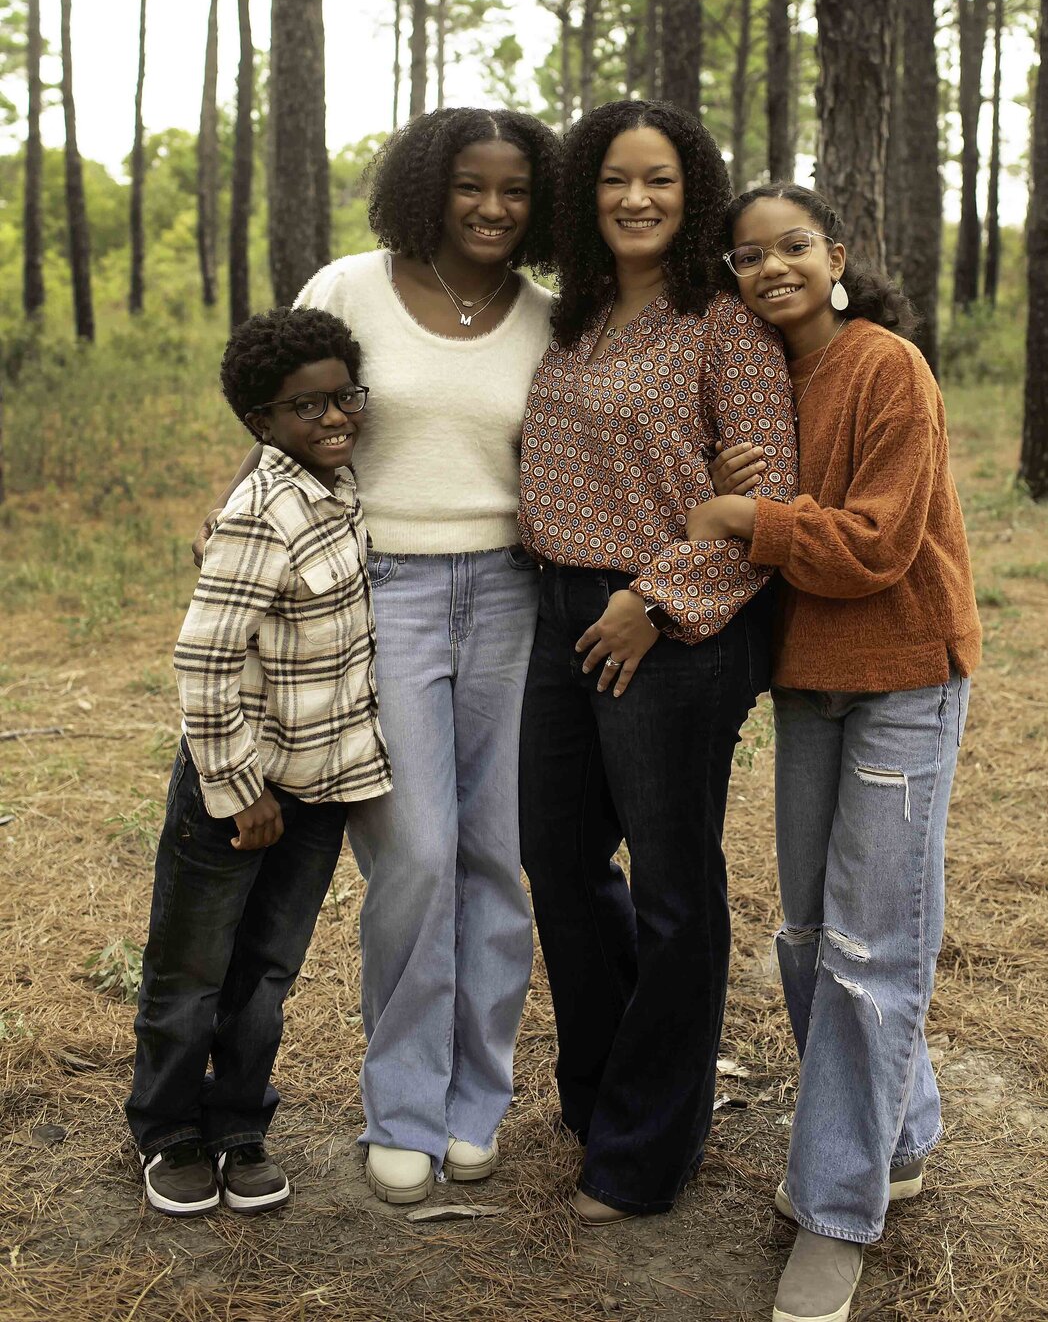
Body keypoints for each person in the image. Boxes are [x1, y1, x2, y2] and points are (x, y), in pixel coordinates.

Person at [197, 107, 560, 1205]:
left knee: (497, 856)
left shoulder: (550, 315)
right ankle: (401, 1100)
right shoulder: (349, 287)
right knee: (413, 854)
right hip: (377, 591)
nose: (492, 208)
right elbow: (284, 424)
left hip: (512, 592)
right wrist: (240, 551)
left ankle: (473, 1101)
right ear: (427, 189)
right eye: (469, 186)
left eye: (513, 190)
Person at [685, 183, 981, 1322]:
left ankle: (836, 1210)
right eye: (749, 257)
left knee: (872, 944)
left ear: (838, 254)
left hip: (905, 675)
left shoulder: (886, 365)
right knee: (809, 938)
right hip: (808, 683)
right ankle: (899, 1133)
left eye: (793, 247)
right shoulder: (756, 383)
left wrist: (743, 518)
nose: (772, 269)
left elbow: (874, 544)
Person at [517, 99, 800, 1225]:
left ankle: (646, 1151)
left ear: (694, 195)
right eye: (615, 180)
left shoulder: (723, 322)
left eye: (662, 180)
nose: (637, 199)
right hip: (557, 615)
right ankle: (606, 1099)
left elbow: (768, 500)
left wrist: (656, 597)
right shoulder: (571, 319)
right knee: (565, 866)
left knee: (674, 892)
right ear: (586, 192)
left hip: (676, 631)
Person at [128, 307, 392, 1217]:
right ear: (261, 423)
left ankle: (240, 1125)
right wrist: (239, 792)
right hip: (238, 792)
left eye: (343, 397)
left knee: (268, 973)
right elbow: (202, 660)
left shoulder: (344, 488)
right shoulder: (260, 514)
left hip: (317, 791)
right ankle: (166, 1133)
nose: (333, 418)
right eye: (305, 407)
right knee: (191, 972)